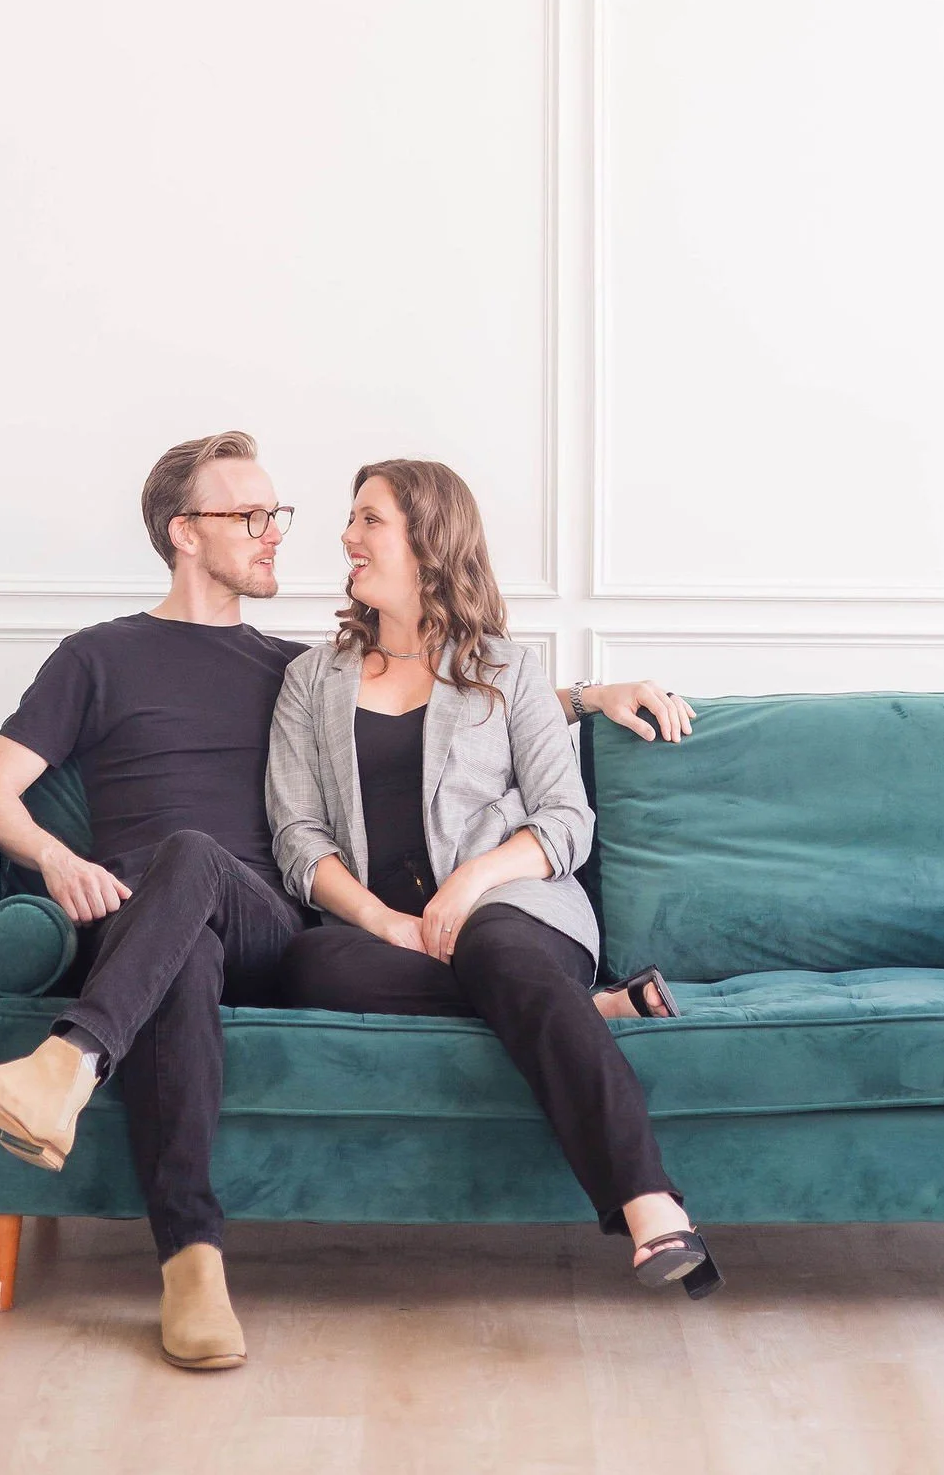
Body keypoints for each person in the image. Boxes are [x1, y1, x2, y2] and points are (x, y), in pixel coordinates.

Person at [0, 431, 700, 1371]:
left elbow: (436, 679)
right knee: (181, 941)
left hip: (266, 918)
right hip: (155, 927)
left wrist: (589, 694)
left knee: (200, 862)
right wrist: (56, 858)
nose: (277, 533)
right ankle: (194, 1270)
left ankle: (67, 1064)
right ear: (183, 532)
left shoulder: (282, 664)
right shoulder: (109, 657)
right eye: (249, 515)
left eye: (279, 514)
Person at [268, 459, 722, 1298]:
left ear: (428, 543)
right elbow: (298, 836)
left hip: (512, 909)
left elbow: (564, 820)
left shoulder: (510, 672)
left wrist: (470, 881)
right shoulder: (311, 681)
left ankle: (650, 1203)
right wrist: (386, 922)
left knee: (503, 954)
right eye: (352, 518)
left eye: (369, 520)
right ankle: (586, 1010)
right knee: (305, 966)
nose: (347, 536)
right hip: (391, 938)